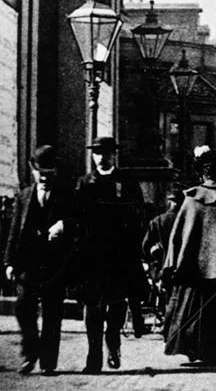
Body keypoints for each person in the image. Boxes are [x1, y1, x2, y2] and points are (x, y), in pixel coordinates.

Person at [163, 147, 216, 364]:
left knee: (190, 307)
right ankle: (215, 351)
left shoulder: (191, 200)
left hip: (192, 268)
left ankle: (192, 349)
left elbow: (178, 236)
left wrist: (171, 264)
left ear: (203, 174)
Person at [4, 146, 80, 376]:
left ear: (56, 171)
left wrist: (64, 224)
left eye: (50, 172)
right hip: (28, 263)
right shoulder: (24, 196)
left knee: (52, 313)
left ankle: (48, 362)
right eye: (41, 172)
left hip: (55, 266)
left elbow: (81, 221)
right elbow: (14, 230)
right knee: (22, 307)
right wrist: (9, 262)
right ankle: (29, 354)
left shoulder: (67, 195)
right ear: (33, 170)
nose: (45, 177)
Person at [75, 136, 146, 374]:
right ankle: (93, 356)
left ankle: (113, 341)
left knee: (117, 305)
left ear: (114, 155)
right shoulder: (85, 183)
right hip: (92, 257)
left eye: (106, 153)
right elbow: (78, 218)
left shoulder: (126, 182)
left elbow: (138, 216)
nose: (102, 157)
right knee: (93, 307)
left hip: (120, 255)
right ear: (93, 155)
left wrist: (136, 249)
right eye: (97, 153)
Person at [142, 189, 183, 318]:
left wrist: (153, 260)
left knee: (167, 297)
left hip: (163, 266)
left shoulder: (158, 221)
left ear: (169, 202)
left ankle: (167, 325)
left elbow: (145, 246)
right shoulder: (188, 220)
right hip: (184, 266)